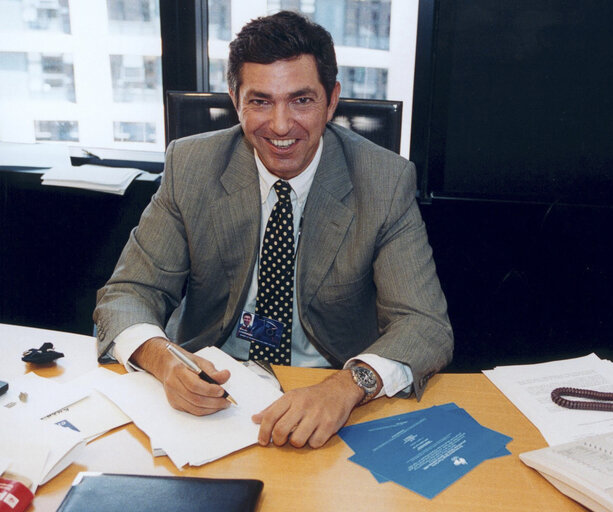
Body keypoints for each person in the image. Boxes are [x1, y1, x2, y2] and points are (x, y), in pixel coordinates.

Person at [93, 10, 453, 449]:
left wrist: (347, 386)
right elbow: (128, 293)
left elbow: (424, 324)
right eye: (260, 101)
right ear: (234, 98)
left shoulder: (384, 180)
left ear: (332, 99)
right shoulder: (191, 166)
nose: (281, 126)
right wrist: (162, 359)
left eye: (301, 100)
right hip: (211, 392)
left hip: (324, 390)